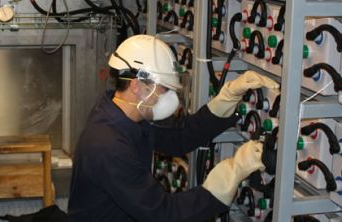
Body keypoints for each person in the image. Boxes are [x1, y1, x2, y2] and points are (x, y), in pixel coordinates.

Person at [68, 35, 279, 222]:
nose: (169, 96)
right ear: (137, 86)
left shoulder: (124, 115)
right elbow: (163, 213)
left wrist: (226, 99)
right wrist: (232, 173)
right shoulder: (107, 144)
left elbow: (179, 138)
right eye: (165, 88)